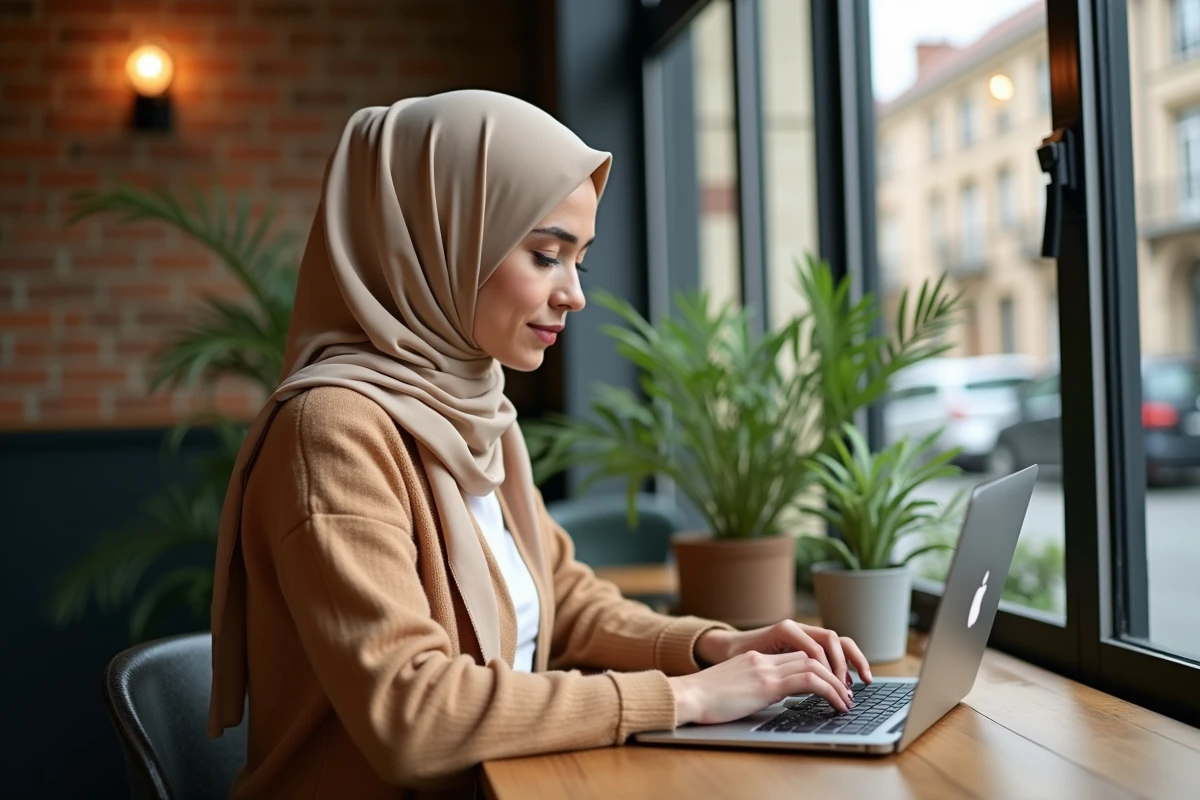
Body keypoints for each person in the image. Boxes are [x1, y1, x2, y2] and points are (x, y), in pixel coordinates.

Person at [207, 89, 871, 799]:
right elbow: (413, 715)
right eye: (546, 255)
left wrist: (715, 646)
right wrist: (688, 699)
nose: (574, 294)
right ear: (442, 238)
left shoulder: (478, 409)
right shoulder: (333, 430)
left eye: (578, 260)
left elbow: (564, 600)